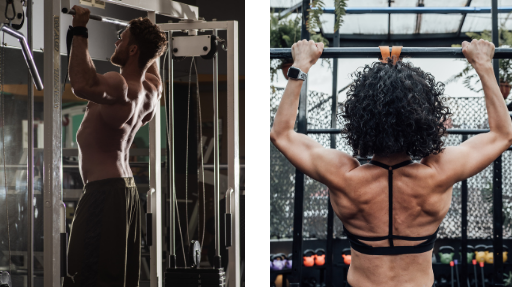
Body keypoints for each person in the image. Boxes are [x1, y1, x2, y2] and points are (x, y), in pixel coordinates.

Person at [270, 39, 512, 287]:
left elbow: (282, 135)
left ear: (360, 119)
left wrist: (300, 66)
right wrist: (483, 65)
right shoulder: (438, 173)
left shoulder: (343, 175)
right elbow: (502, 135)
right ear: (423, 119)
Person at [63, 6, 167, 287]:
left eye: (120, 38)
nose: (115, 42)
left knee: (83, 275)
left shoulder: (121, 86)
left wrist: (80, 28)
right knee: (113, 278)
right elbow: (153, 54)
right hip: (124, 193)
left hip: (104, 194)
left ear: (133, 50)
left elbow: (82, 83)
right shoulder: (152, 90)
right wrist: (144, 30)